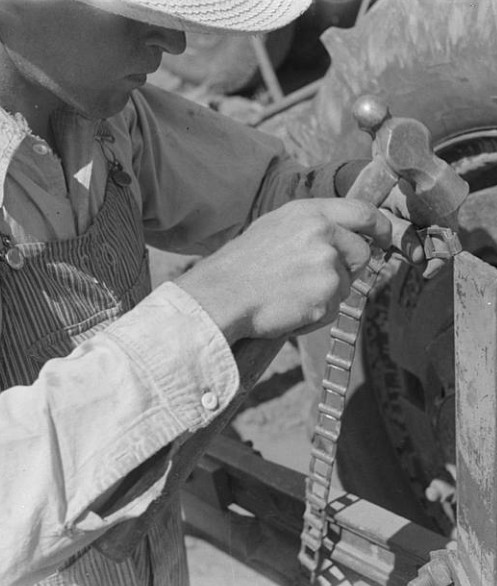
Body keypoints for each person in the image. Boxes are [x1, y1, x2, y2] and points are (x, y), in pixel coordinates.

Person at [0, 0, 432, 584]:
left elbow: (256, 192)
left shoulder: (98, 116)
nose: (175, 44)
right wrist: (216, 303)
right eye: (132, 7)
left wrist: (335, 194)